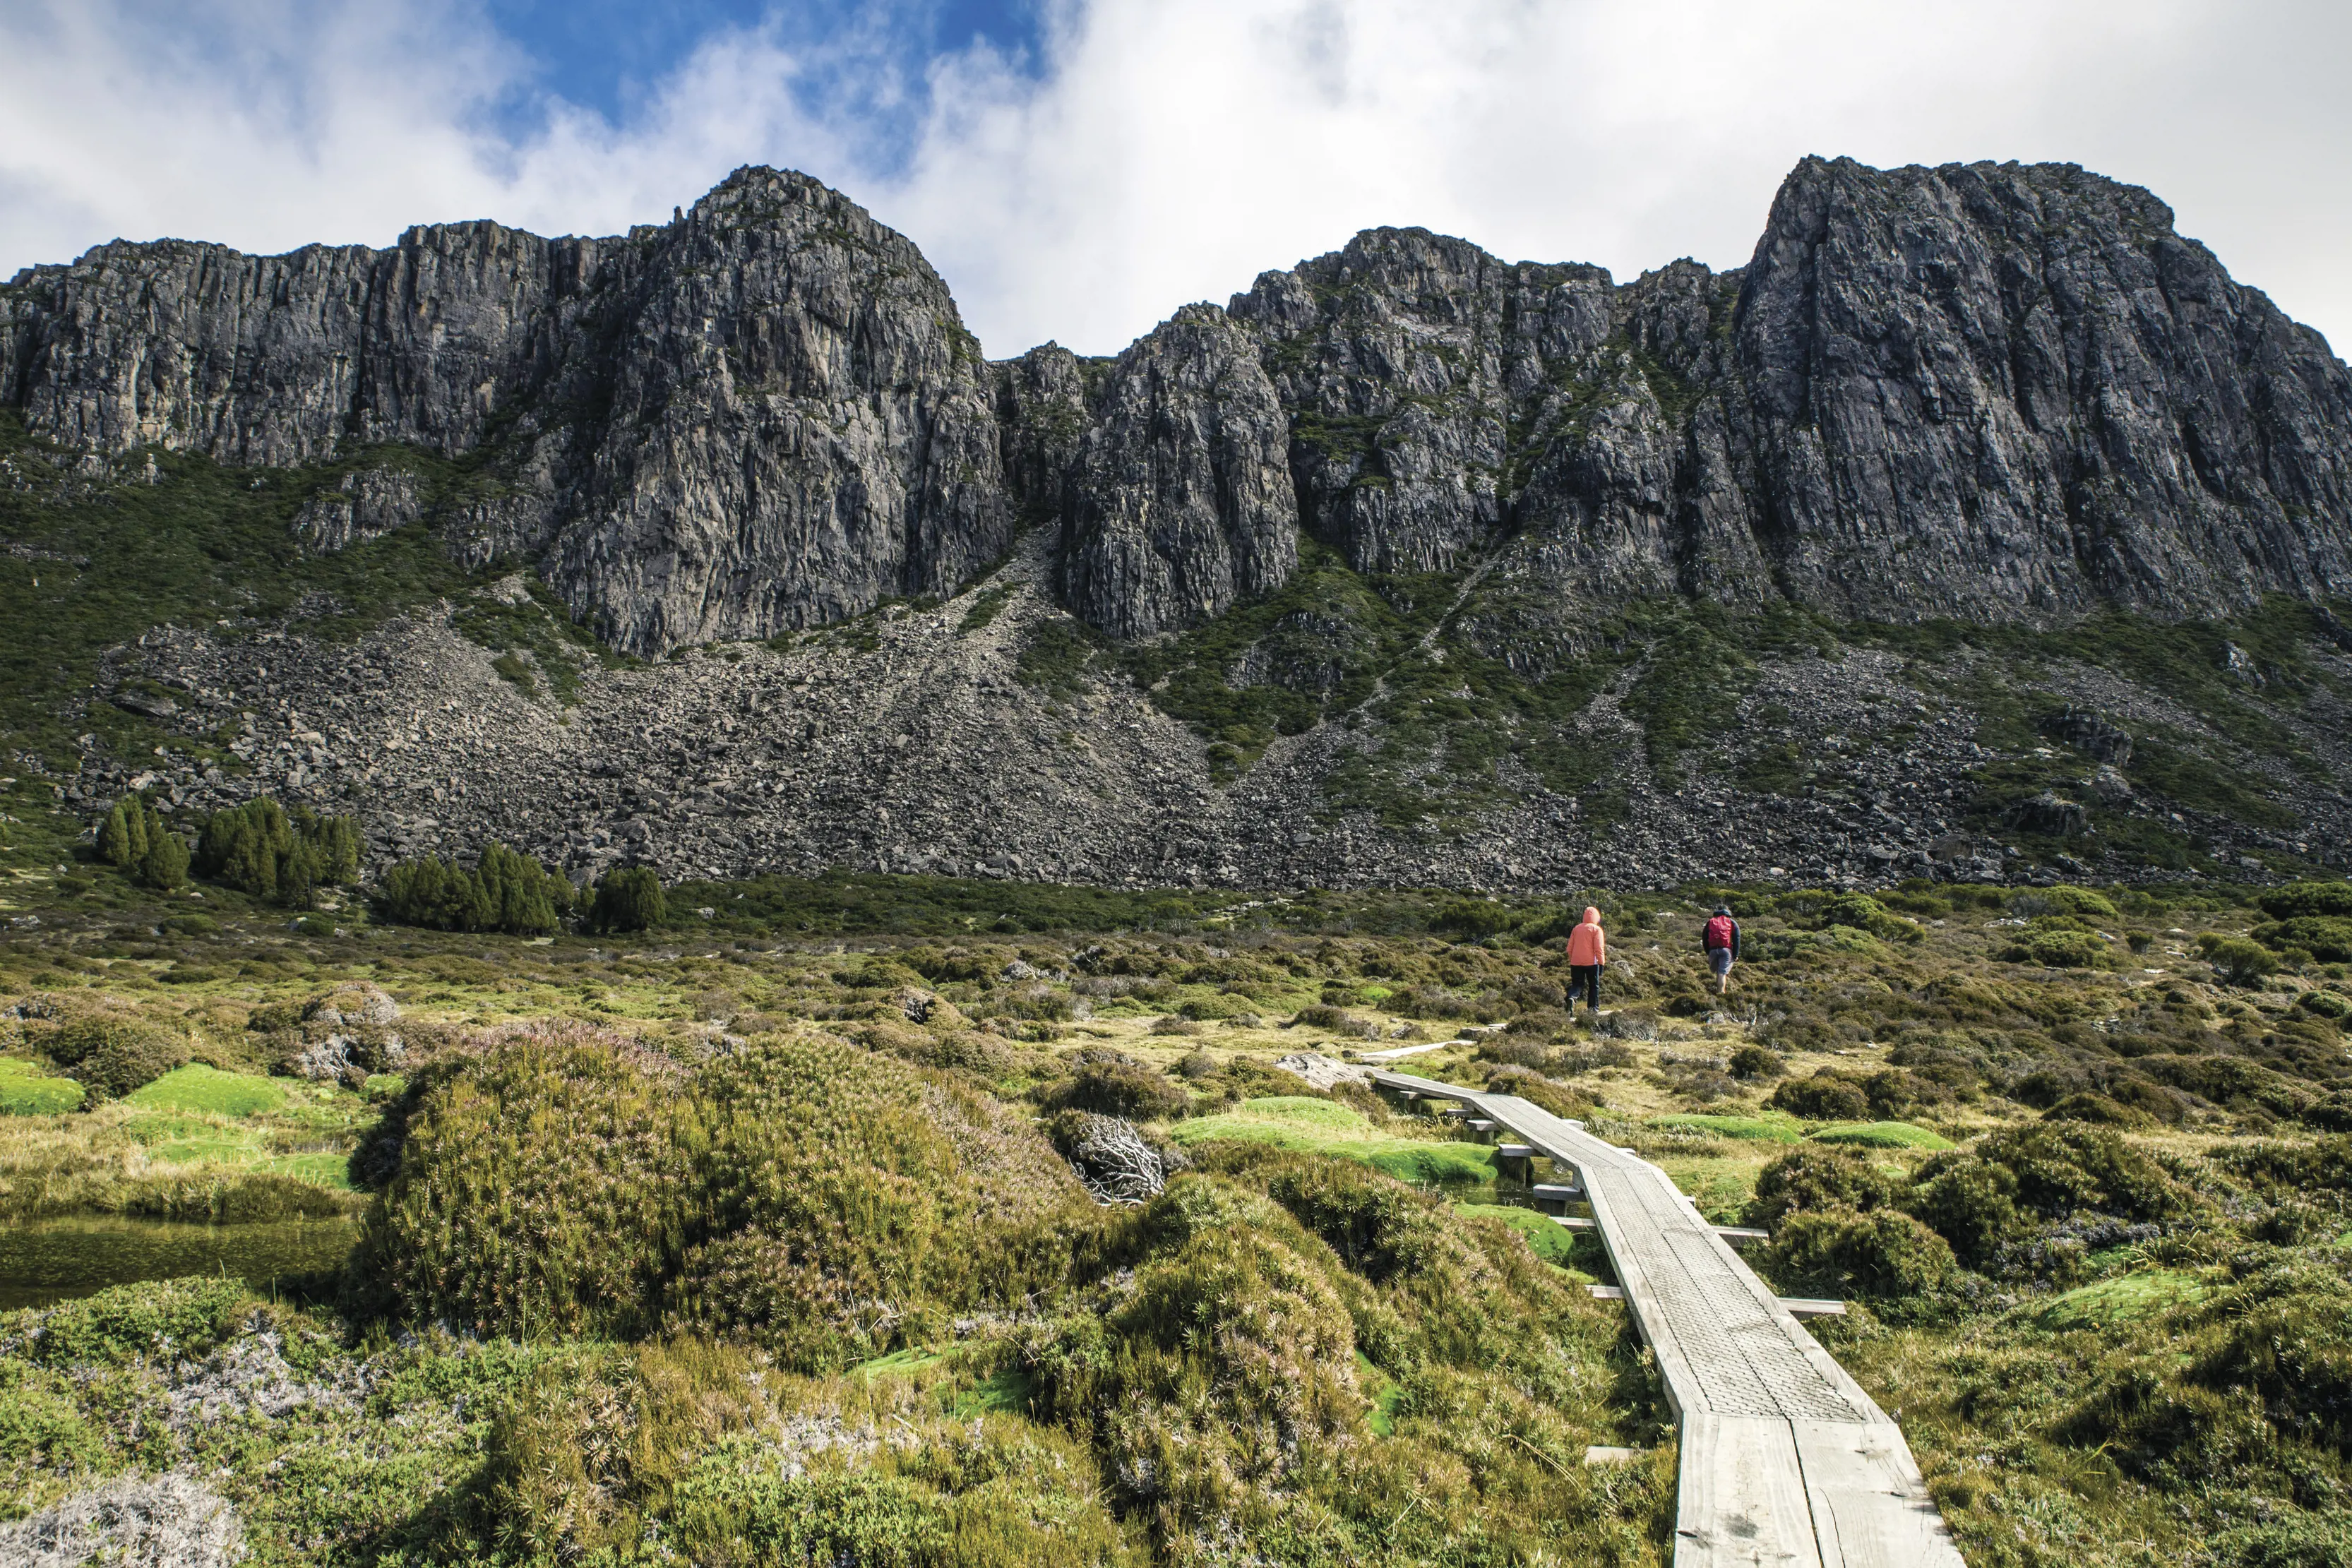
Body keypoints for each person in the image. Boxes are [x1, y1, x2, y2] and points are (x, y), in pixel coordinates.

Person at [1564, 905, 1606, 1016]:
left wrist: (1573, 960)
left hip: (1575, 962)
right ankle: (1593, 1010)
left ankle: (1572, 999)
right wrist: (1601, 964)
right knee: (1594, 986)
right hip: (1592, 963)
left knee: (1577, 984)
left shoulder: (1576, 928)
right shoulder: (1597, 930)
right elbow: (1599, 949)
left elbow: (1569, 948)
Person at [1702, 904, 1741, 993]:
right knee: (1722, 973)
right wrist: (1736, 954)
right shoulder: (1732, 922)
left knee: (1718, 972)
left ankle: (1717, 990)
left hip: (1713, 950)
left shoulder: (1711, 922)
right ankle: (1721, 993)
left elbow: (1704, 937)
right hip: (1726, 950)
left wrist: (1709, 951)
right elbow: (1737, 938)